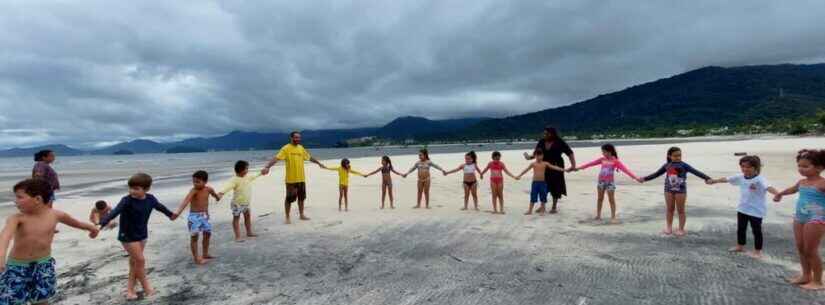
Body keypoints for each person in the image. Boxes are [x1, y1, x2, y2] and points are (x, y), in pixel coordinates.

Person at [0, 179, 98, 305]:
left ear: (37, 199)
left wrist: (91, 228)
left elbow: (76, 223)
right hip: (17, 267)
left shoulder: (55, 215)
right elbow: (5, 236)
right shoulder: (17, 218)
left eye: (20, 197)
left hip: (43, 266)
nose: (15, 201)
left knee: (41, 299)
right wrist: (1, 255)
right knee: (12, 300)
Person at [99, 173, 178, 300]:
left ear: (146, 189)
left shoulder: (150, 199)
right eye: (130, 188)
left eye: (136, 189)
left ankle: (130, 290)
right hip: (128, 236)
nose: (132, 191)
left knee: (134, 262)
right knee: (140, 261)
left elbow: (160, 207)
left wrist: (171, 215)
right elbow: (115, 212)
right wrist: (102, 223)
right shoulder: (127, 200)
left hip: (142, 234)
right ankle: (147, 287)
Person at [708, 155, 779, 258]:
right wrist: (714, 181)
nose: (745, 169)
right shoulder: (740, 177)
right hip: (742, 208)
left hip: (756, 210)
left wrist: (777, 194)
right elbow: (727, 179)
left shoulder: (760, 179)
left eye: (748, 167)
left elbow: (769, 187)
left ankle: (758, 251)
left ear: (756, 167)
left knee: (756, 231)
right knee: (741, 228)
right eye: (742, 166)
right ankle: (740, 246)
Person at [773, 149, 825, 290]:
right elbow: (793, 189)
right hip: (800, 216)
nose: (801, 169)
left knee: (811, 250)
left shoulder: (822, 183)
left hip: (816, 218)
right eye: (799, 166)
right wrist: (780, 194)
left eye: (806, 166)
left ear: (820, 167)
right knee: (801, 248)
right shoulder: (802, 182)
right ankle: (806, 275)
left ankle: (818, 281)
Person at [641, 147, 712, 236]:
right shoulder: (667, 165)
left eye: (679, 155)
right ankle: (669, 228)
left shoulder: (684, 165)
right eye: (675, 156)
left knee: (681, 210)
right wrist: (644, 179)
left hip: (680, 190)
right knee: (669, 209)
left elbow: (696, 172)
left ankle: (681, 229)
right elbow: (656, 174)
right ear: (669, 156)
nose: (678, 157)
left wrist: (707, 178)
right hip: (668, 189)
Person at [262, 132, 326, 224]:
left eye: (299, 138)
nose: (298, 139)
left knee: (301, 198)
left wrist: (319, 163)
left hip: (301, 178)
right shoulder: (285, 148)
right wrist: (267, 166)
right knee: (289, 199)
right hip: (291, 179)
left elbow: (309, 157)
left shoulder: (301, 148)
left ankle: (301, 215)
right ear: (291, 138)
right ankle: (287, 217)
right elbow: (276, 158)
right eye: (296, 137)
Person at [570, 144, 641, 223]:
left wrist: (636, 178)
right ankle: (598, 215)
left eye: (604, 152)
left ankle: (613, 217)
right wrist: (578, 168)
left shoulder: (615, 161)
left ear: (609, 152)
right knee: (600, 199)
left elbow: (626, 170)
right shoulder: (602, 159)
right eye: (602, 152)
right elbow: (590, 164)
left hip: (610, 183)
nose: (603, 153)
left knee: (611, 200)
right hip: (601, 182)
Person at [524, 127, 576, 214]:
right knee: (544, 185)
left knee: (556, 185)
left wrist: (573, 165)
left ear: (552, 134)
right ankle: (542, 206)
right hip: (544, 165)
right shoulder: (541, 141)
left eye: (547, 134)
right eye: (544, 133)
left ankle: (554, 206)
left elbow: (570, 153)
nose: (545, 135)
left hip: (557, 165)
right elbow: (536, 153)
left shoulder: (559, 142)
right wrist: (529, 157)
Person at [174, 171, 220, 265]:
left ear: (205, 181)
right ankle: (196, 258)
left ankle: (205, 253)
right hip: (194, 218)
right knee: (194, 237)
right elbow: (186, 201)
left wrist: (217, 197)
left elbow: (214, 194)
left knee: (207, 234)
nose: (195, 184)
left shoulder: (209, 189)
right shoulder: (193, 190)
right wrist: (178, 212)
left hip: (204, 216)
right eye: (194, 181)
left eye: (198, 182)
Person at [219, 160, 264, 242]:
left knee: (247, 217)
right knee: (236, 218)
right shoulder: (235, 180)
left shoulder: (247, 177)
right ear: (241, 170)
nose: (247, 170)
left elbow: (254, 176)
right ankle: (237, 236)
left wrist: (261, 173)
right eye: (246, 169)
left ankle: (249, 232)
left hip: (246, 203)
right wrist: (221, 193)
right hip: (237, 204)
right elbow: (228, 186)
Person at [516, 149, 564, 215]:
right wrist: (519, 175)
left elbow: (554, 167)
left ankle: (542, 210)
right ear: (535, 156)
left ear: (542, 156)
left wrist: (563, 169)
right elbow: (526, 170)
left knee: (543, 197)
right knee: (533, 196)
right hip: (535, 183)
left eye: (540, 155)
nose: (539, 157)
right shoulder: (533, 164)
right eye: (537, 155)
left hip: (543, 183)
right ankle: (530, 210)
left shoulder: (545, 163)